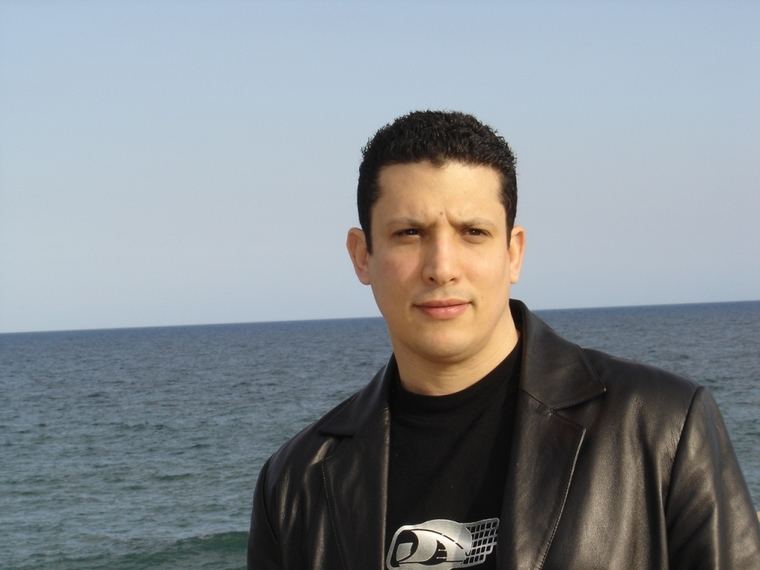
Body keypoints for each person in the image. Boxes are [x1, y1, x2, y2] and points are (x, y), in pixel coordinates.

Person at [247, 110, 760, 569]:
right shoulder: (294, 483)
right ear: (363, 256)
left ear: (513, 253)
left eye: (473, 232)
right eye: (409, 233)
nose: (442, 267)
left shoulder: (663, 426)